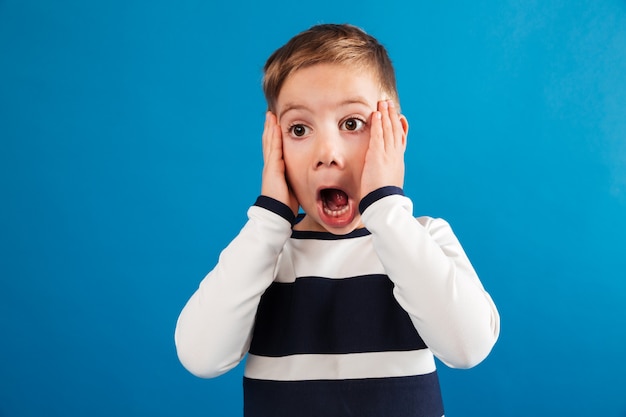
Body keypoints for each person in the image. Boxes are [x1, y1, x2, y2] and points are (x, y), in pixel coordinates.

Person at [175, 23, 500, 417]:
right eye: (299, 129)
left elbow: (468, 348)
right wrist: (268, 221)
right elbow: (200, 357)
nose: (327, 152)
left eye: (352, 124)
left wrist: (386, 210)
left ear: (394, 136)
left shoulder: (421, 238)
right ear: (273, 145)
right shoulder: (264, 253)